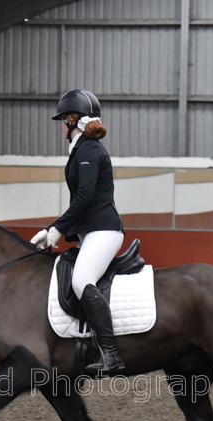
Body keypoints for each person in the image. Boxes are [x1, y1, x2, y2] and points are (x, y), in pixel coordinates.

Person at [31, 89, 126, 375]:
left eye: (63, 119)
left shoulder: (89, 150)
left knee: (81, 280)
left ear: (72, 120)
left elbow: (83, 197)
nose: (62, 125)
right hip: (91, 231)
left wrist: (57, 229)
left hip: (104, 230)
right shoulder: (83, 149)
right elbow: (81, 202)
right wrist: (52, 229)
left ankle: (111, 354)